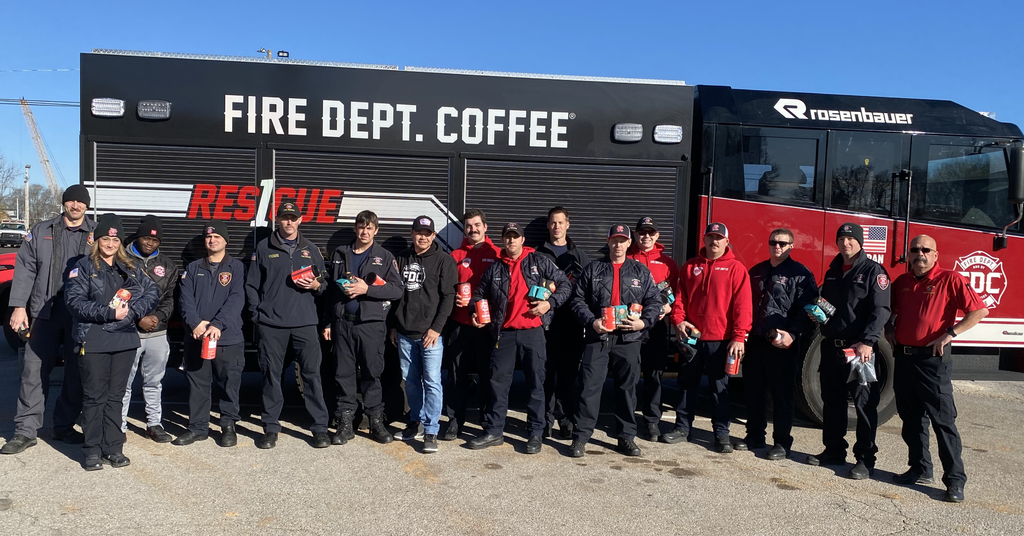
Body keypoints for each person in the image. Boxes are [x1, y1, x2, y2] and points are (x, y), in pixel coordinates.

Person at [886, 235, 987, 503]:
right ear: (909, 254)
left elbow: (978, 311)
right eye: (914, 250)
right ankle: (920, 469)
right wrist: (888, 329)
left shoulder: (950, 279)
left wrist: (950, 333)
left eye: (925, 250)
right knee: (911, 419)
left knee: (943, 421)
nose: (919, 254)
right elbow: (890, 312)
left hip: (932, 360)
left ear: (935, 254)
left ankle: (954, 481)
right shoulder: (902, 282)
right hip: (904, 359)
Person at [3, 184, 97, 455]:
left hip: (80, 315)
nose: (76, 206)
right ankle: (25, 431)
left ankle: (64, 426)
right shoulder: (41, 231)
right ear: (64, 203)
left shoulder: (96, 234)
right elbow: (24, 270)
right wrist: (19, 306)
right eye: (71, 201)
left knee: (75, 372)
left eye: (81, 202)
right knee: (33, 370)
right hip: (44, 313)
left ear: (86, 206)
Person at [64, 214, 158, 470]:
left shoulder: (130, 267)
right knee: (94, 397)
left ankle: (113, 447)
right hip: (94, 339)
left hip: (125, 339)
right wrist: (109, 313)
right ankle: (92, 449)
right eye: (106, 238)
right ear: (97, 240)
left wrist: (133, 312)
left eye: (115, 239)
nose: (110, 243)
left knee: (116, 397)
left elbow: (152, 291)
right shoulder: (82, 267)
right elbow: (74, 302)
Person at [467, 222, 570, 454]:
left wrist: (548, 304)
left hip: (533, 333)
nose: (511, 241)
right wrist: (475, 313)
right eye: (508, 237)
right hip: (503, 334)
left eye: (516, 237)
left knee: (536, 383)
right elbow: (478, 296)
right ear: (502, 240)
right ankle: (494, 431)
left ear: (523, 240)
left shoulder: (539, 261)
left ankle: (535, 433)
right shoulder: (494, 268)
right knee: (497, 384)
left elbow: (565, 284)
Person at [568, 224, 662, 458]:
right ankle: (580, 438)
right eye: (614, 240)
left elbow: (654, 302)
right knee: (589, 389)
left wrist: (644, 323)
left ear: (630, 243)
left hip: (628, 339)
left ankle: (626, 437)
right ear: (608, 242)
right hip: (598, 337)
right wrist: (591, 321)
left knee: (627, 390)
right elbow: (577, 300)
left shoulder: (640, 271)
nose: (618, 245)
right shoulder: (593, 269)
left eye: (623, 240)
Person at [806, 222, 890, 480]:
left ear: (860, 241)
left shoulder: (873, 271)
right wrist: (818, 314)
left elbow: (881, 311)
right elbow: (829, 307)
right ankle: (833, 450)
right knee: (832, 403)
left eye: (850, 239)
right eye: (841, 239)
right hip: (832, 348)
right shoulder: (832, 271)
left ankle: (865, 459)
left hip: (859, 350)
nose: (846, 243)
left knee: (864, 405)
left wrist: (868, 342)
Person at [245, 201, 331, 449]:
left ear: (300, 220)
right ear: (278, 220)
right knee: (272, 377)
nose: (289, 222)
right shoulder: (264, 248)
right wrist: (257, 315)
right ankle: (271, 428)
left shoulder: (311, 249)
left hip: (305, 324)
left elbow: (324, 285)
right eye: (284, 218)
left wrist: (316, 286)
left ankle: (319, 428)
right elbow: (251, 286)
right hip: (272, 325)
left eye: (293, 218)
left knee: (312, 376)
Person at [664, 222, 752, 453]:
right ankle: (682, 428)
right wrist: (678, 321)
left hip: (721, 340)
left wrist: (739, 337)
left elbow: (743, 307)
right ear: (704, 240)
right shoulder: (691, 266)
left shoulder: (736, 268)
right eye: (710, 237)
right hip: (692, 339)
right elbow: (679, 298)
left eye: (719, 238)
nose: (714, 241)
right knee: (686, 385)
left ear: (726, 241)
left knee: (719, 388)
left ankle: (722, 434)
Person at [323, 210, 403, 446]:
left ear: (375, 231)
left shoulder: (384, 257)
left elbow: (397, 290)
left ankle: (376, 423)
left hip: (371, 325)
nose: (365, 231)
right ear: (356, 229)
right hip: (342, 324)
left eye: (369, 228)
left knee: (371, 373)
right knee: (343, 374)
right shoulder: (340, 253)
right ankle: (345, 424)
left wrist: (367, 290)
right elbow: (331, 292)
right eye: (361, 227)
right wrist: (328, 320)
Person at [743, 228, 817, 459]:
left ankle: (782, 443)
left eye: (783, 243)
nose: (777, 246)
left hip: (783, 344)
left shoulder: (801, 274)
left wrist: (792, 335)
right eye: (773, 242)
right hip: (756, 342)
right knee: (754, 392)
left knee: (782, 395)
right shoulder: (757, 271)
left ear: (791, 246)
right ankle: (754, 435)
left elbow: (807, 310)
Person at [173, 221, 246, 447]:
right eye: (208, 237)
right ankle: (198, 428)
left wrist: (217, 324)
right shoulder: (193, 268)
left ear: (225, 241)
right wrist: (195, 324)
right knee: (198, 384)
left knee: (228, 384)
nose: (212, 240)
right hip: (197, 337)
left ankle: (228, 427)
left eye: (216, 237)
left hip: (228, 338)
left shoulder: (236, 267)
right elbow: (185, 300)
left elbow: (236, 299)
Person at [390, 215, 458, 453]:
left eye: (427, 233)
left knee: (432, 382)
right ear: (412, 234)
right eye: (419, 232)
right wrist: (393, 326)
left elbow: (449, 298)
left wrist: (436, 329)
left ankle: (431, 431)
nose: (422, 236)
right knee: (410, 381)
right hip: (405, 332)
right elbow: (394, 294)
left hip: (430, 335)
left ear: (433, 235)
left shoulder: (444, 261)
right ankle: (415, 423)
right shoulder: (401, 258)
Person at [442, 209, 500, 440]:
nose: (473, 229)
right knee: (456, 375)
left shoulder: (497, 254)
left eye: (477, 225)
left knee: (489, 375)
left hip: (487, 325)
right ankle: (455, 422)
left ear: (485, 227)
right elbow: (444, 287)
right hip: (460, 323)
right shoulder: (455, 256)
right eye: (468, 226)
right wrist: (453, 296)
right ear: (464, 229)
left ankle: (487, 422)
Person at [120, 215, 179, 442]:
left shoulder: (168, 266)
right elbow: (116, 295)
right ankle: (120, 425)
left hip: (158, 331)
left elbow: (171, 299)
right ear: (138, 237)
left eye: (154, 241)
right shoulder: (121, 260)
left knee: (154, 381)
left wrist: (157, 316)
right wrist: (137, 318)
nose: (149, 243)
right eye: (145, 238)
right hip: (128, 331)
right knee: (123, 382)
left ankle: (154, 423)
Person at [626, 216, 683, 442]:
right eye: (642, 232)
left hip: (656, 328)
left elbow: (679, 295)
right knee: (628, 376)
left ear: (657, 236)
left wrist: (668, 308)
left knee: (654, 376)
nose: (646, 236)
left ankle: (651, 421)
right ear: (636, 235)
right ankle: (627, 420)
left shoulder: (668, 264)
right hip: (629, 326)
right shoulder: (627, 258)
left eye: (651, 233)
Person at [536, 206, 591, 439]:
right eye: (553, 223)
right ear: (548, 226)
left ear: (568, 224)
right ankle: (546, 420)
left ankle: (566, 419)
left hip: (572, 325)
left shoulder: (580, 256)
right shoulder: (537, 254)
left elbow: (589, 290)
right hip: (544, 326)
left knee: (568, 377)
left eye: (561, 222)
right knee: (545, 376)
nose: (556, 227)